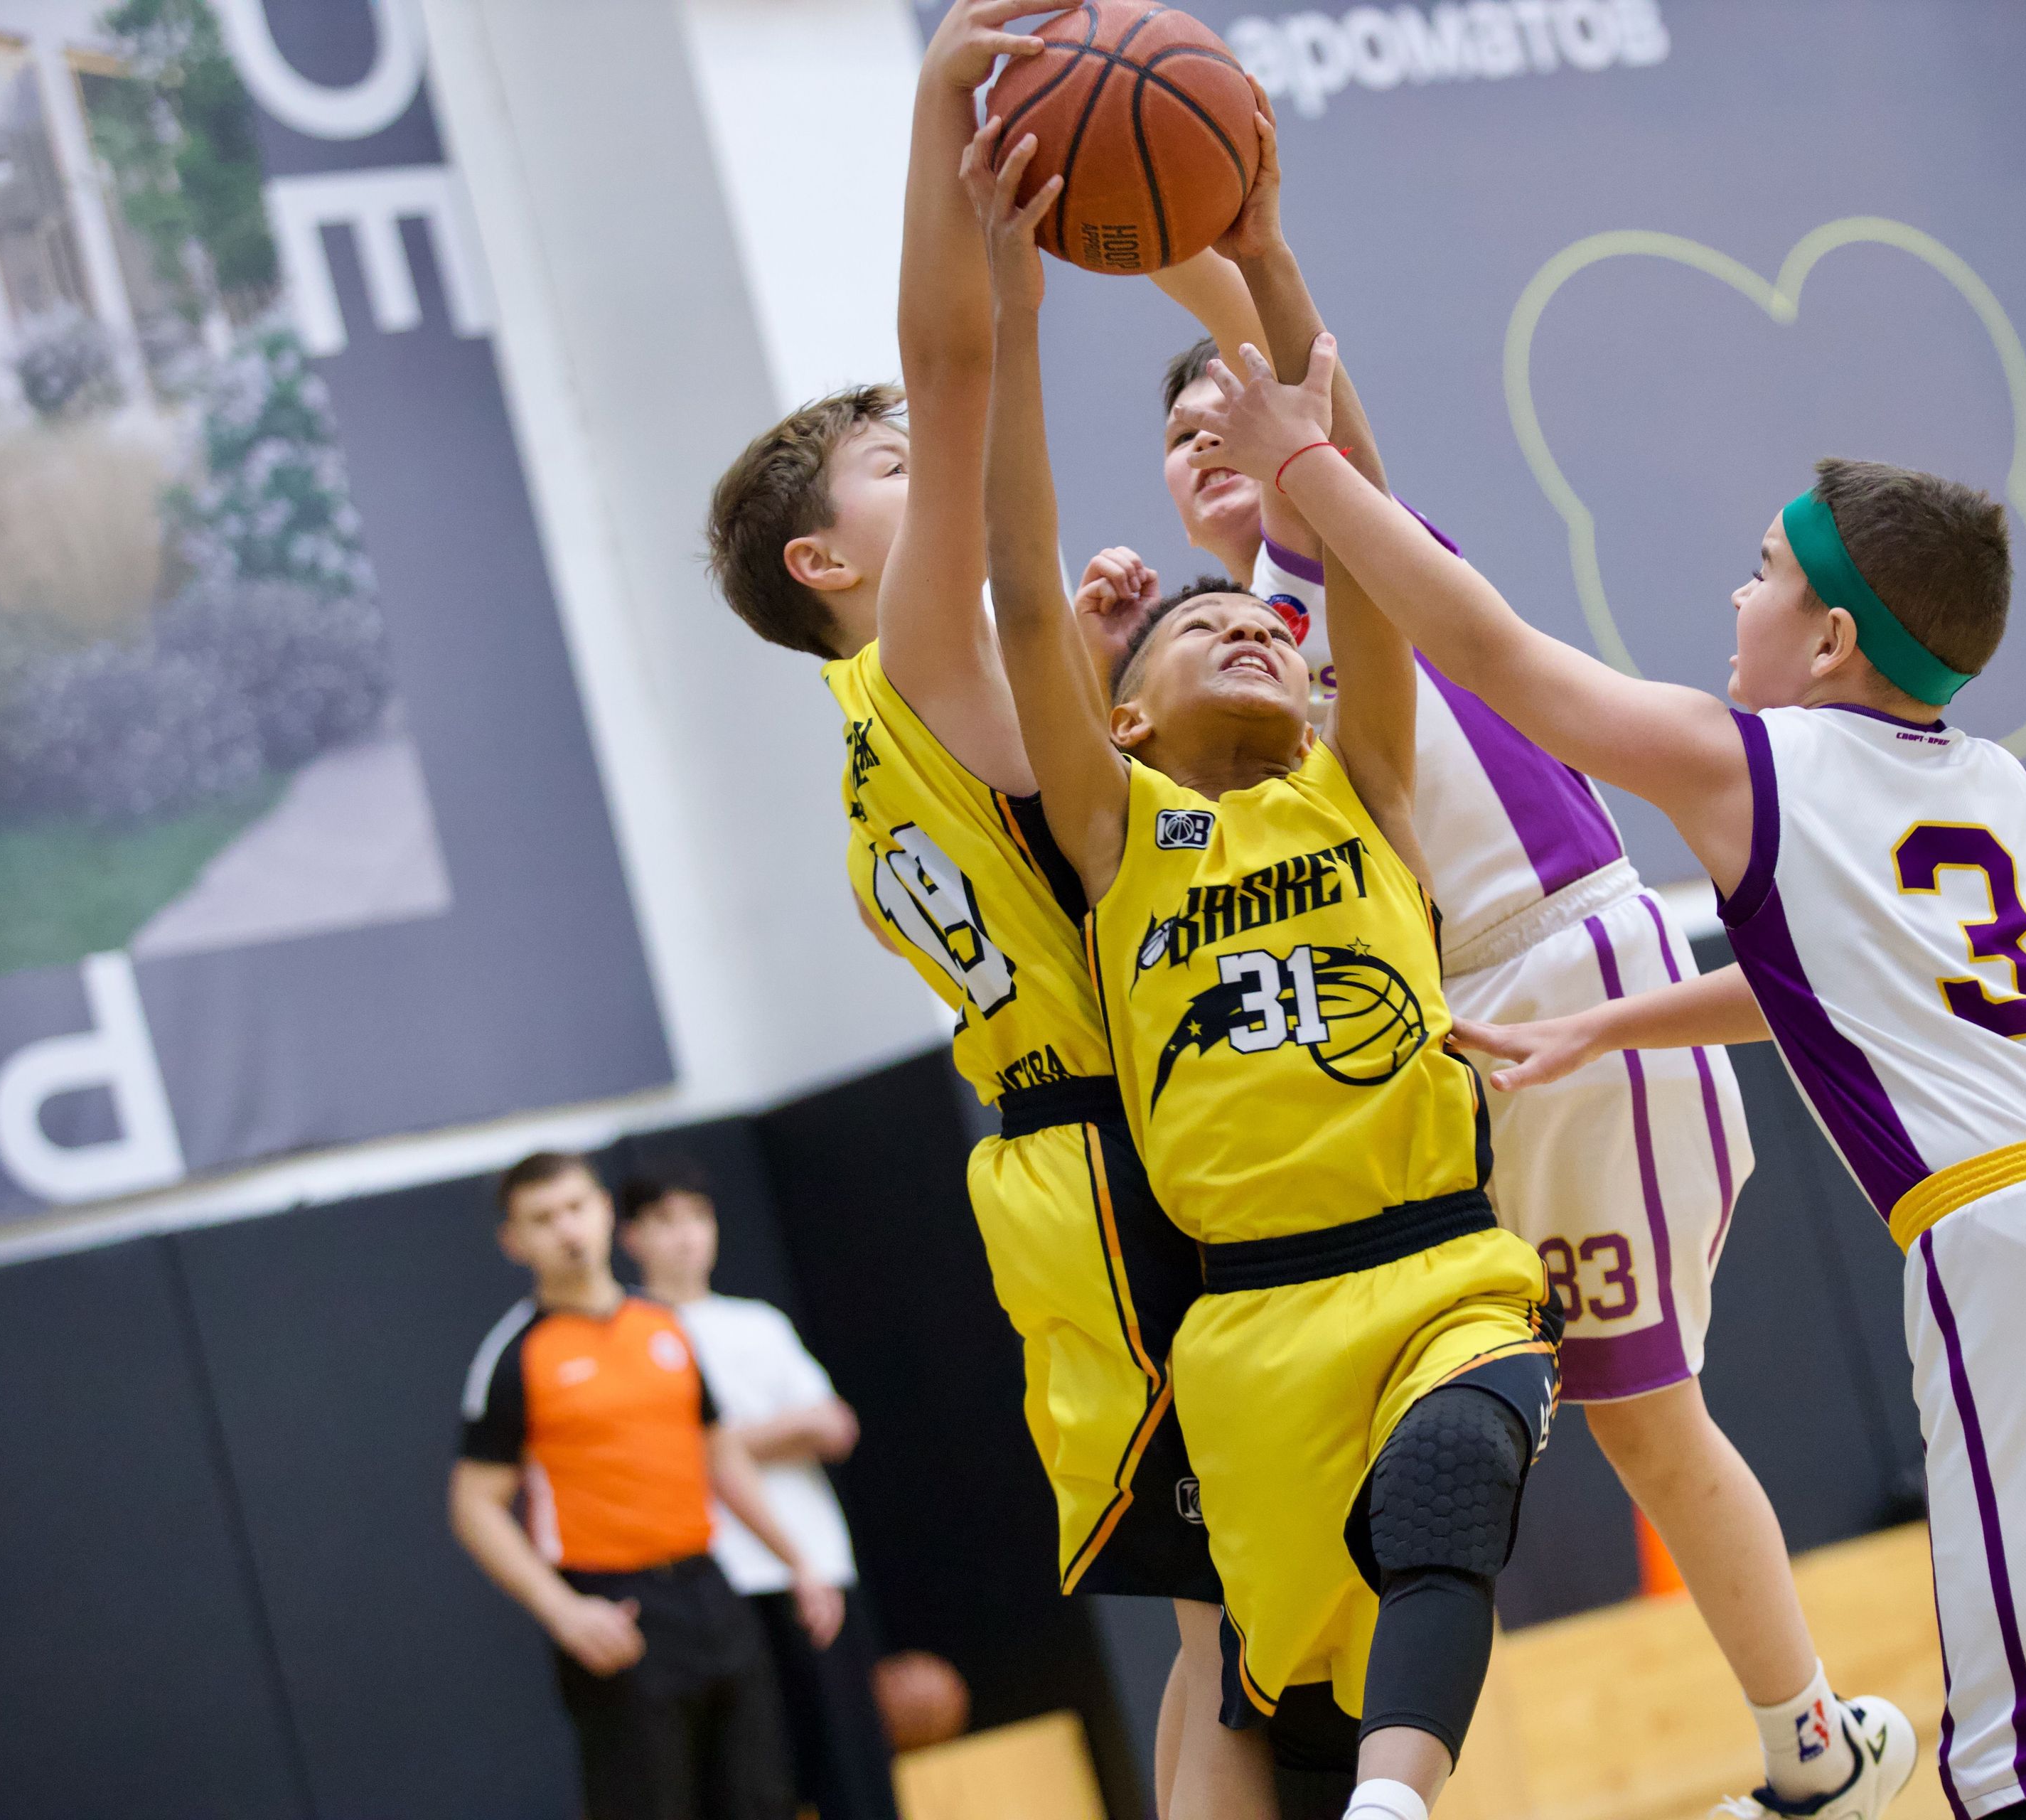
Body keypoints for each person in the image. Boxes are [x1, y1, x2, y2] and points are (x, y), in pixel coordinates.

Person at [1187, 334, 2026, 1820]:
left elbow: (1490, 655)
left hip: (2023, 1234)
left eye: (1762, 575)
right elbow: (1841, 986)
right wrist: (1611, 1026)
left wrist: (1305, 467)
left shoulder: (1748, 760)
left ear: (1830, 642)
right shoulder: (1992, 779)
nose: (1736, 596)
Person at [1066, 182, 1904, 1820]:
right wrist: (1114, 668)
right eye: (1175, 432)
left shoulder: (1351, 549)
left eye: (1226, 405)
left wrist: (1211, 253)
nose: (1206, 433)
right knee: (1427, 1443)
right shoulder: (1213, 661)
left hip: (1568, 962)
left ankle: (1813, 1749)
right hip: (1423, 1046)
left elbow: (1304, 389)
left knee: (1644, 1413)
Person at [697, 5, 1258, 1813]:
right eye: (886, 471)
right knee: (1242, 1616)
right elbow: (951, 376)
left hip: (1074, 1153)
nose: (925, 463)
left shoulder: (904, 724)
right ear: (824, 565)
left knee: (1238, 1615)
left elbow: (1047, 810)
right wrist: (949, 119)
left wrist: (1085, 664)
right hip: (1119, 1155)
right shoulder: (910, 660)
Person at [970, 124, 1558, 1820]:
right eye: (1199, 627)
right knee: (1286, 1707)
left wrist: (1272, 266)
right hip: (1248, 1326)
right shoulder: (1117, 834)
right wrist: (1011, 303)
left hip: (1440, 1260)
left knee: (1457, 1474)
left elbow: (1357, 524)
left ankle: (1399, 1799)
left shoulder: (1358, 781)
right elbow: (1021, 591)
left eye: (1272, 633)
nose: (1251, 625)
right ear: (1122, 716)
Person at [450, 1152, 845, 1820]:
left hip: (710, 1589)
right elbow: (474, 1505)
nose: (567, 1230)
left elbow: (719, 1456)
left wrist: (797, 1561)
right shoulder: (515, 1355)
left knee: (762, 1797)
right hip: (615, 1609)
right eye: (543, 1219)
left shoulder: (665, 1325)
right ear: (514, 1242)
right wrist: (563, 1611)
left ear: (605, 1212)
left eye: (576, 1207)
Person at [618, 1160, 903, 1820]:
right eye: (664, 1221)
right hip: (717, 1580)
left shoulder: (759, 1323)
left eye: (698, 1216)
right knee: (756, 1775)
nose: (686, 1236)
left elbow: (832, 1426)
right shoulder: (633, 1333)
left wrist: (726, 1442)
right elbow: (671, 1454)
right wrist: (772, 1433)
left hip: (814, 1566)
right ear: (631, 1235)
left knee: (852, 1765)